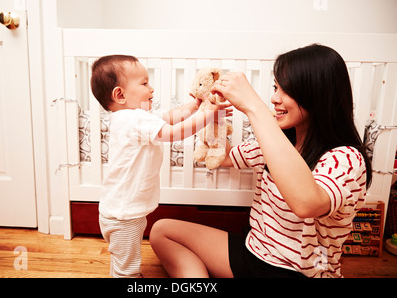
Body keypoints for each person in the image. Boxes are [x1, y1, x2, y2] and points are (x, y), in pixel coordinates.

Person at [149, 44, 372, 278]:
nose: (275, 98)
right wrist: (213, 114)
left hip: (297, 272)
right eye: (276, 88)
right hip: (254, 251)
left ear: (316, 95)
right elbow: (223, 157)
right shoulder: (275, 142)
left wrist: (254, 107)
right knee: (161, 231)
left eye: (287, 90)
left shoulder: (345, 158)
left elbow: (307, 204)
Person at [90, 55, 231, 278]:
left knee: (123, 259)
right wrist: (206, 115)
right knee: (127, 269)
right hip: (123, 214)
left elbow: (169, 117)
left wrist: (195, 106)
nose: (151, 89)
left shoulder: (132, 118)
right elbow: (173, 132)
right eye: (144, 84)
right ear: (120, 94)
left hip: (121, 211)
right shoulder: (134, 119)